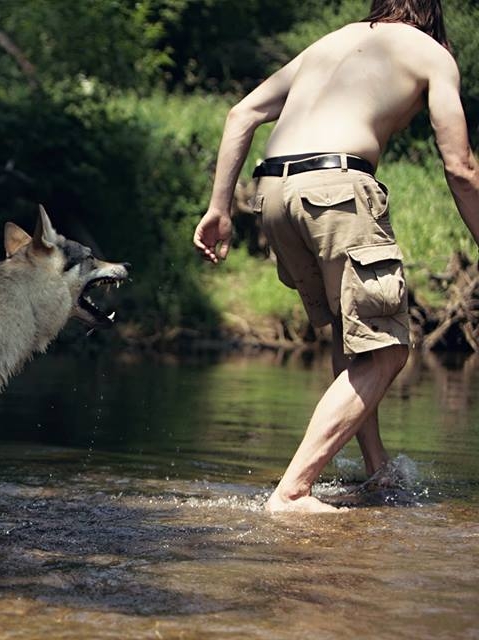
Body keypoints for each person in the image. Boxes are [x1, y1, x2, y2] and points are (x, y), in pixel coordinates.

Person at [193, 0, 479, 513]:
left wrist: (219, 208)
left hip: (274, 196)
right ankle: (293, 491)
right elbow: (460, 167)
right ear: (434, 20)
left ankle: (377, 473)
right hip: (338, 188)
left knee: (354, 338)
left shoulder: (329, 43)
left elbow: (242, 115)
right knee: (388, 350)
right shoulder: (432, 54)